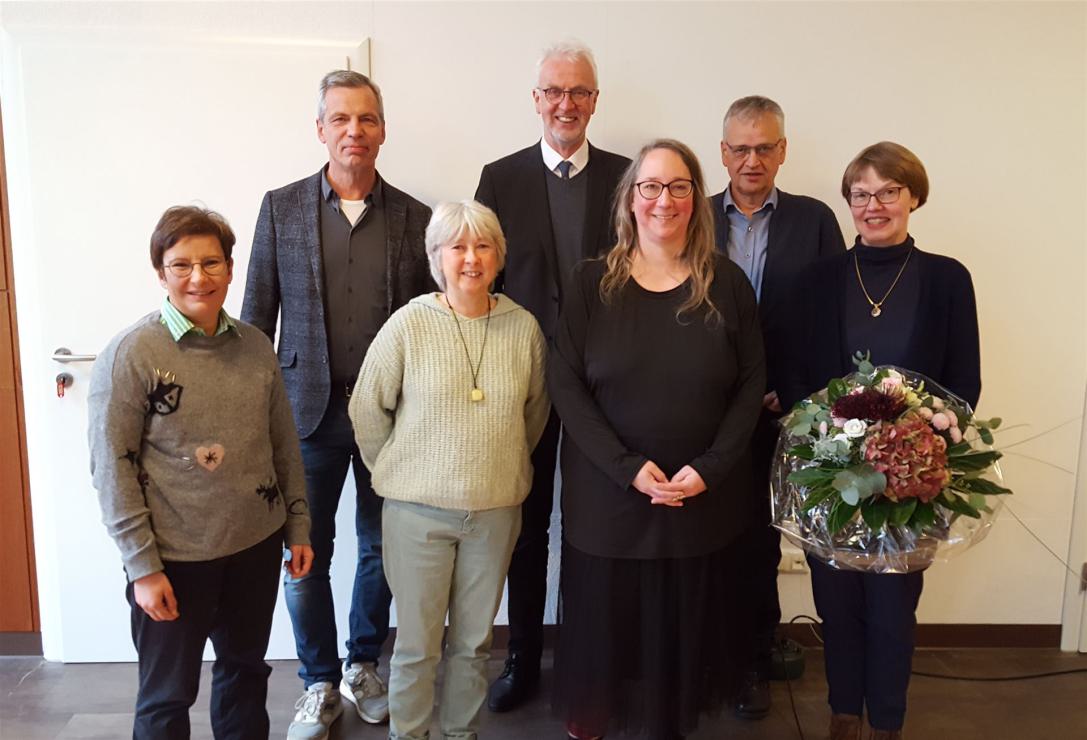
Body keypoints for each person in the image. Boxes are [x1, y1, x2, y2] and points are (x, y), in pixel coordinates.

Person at [550, 139, 766, 740]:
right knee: (606, 630)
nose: (663, 200)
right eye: (650, 186)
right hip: (608, 499)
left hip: (700, 498)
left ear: (696, 200)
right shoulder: (591, 283)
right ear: (630, 199)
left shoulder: (727, 284)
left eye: (678, 187)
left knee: (678, 638)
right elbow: (565, 385)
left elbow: (752, 385)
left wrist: (712, 468)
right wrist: (626, 468)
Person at [241, 70, 433, 738]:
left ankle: (362, 666)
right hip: (306, 415)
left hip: (390, 419)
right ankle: (317, 681)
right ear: (319, 128)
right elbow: (254, 322)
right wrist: (253, 422)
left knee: (381, 547)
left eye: (368, 118)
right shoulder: (281, 208)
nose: (355, 131)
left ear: (383, 129)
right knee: (304, 551)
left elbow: (429, 326)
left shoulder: (416, 218)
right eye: (341, 119)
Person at [88, 205, 313, 739]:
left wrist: (298, 525)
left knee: (244, 676)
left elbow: (283, 443)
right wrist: (143, 568)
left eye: (211, 263)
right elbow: (110, 468)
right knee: (167, 698)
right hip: (174, 561)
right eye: (181, 264)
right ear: (160, 273)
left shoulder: (256, 347)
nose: (198, 277)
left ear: (231, 270)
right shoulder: (132, 354)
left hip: (254, 549)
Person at [781, 142, 981, 740]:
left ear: (913, 196)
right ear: (848, 203)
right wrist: (821, 431)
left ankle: (887, 722)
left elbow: (964, 382)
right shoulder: (816, 280)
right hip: (829, 476)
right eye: (861, 193)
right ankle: (845, 714)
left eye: (888, 191)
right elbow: (792, 374)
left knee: (893, 612)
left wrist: (920, 439)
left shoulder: (948, 279)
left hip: (911, 481)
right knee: (837, 606)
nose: (875, 205)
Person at [349, 200, 550, 740]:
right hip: (416, 514)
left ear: (498, 255)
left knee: (474, 643)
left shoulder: (523, 328)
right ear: (436, 257)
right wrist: (395, 468)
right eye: (456, 246)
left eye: (482, 245)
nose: (470, 258)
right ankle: (408, 734)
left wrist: (496, 466)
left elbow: (533, 416)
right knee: (416, 645)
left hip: (494, 513)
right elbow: (367, 408)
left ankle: (461, 733)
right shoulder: (409, 325)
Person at [474, 39, 630, 713]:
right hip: (524, 383)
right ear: (535, 100)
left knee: (599, 522)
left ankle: (599, 656)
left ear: (595, 102)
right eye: (553, 92)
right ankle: (522, 659)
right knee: (527, 524)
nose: (565, 105)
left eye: (579, 93)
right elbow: (481, 280)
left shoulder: (629, 176)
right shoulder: (498, 178)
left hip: (608, 384)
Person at [709, 95, 845, 718]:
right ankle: (708, 658)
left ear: (783, 151)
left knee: (764, 540)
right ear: (723, 153)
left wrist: (788, 387)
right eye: (740, 147)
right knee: (711, 538)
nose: (752, 159)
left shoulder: (815, 221)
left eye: (765, 147)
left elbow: (829, 318)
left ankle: (754, 662)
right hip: (703, 410)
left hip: (782, 409)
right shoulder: (692, 215)